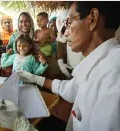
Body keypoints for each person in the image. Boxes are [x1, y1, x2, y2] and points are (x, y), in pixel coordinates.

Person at [17, 1, 120, 131]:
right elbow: (69, 88)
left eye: (69, 22)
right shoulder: (101, 63)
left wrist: (20, 127)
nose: (65, 33)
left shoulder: (114, 77)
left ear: (92, 19)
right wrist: (34, 78)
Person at [56, 10, 84, 78]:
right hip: (71, 68)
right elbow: (61, 41)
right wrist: (61, 63)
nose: (65, 34)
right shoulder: (63, 15)